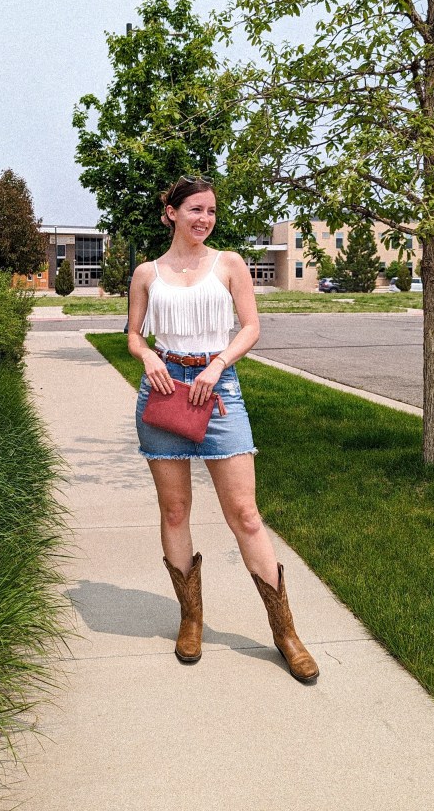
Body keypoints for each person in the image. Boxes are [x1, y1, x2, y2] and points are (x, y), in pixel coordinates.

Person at [127, 174, 318, 684]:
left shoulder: (229, 264)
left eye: (211, 211)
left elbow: (251, 326)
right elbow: (132, 334)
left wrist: (217, 365)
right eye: (194, 209)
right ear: (171, 212)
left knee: (246, 514)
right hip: (165, 388)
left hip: (219, 389)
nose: (204, 219)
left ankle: (285, 633)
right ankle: (191, 619)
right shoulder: (147, 273)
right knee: (175, 509)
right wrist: (146, 356)